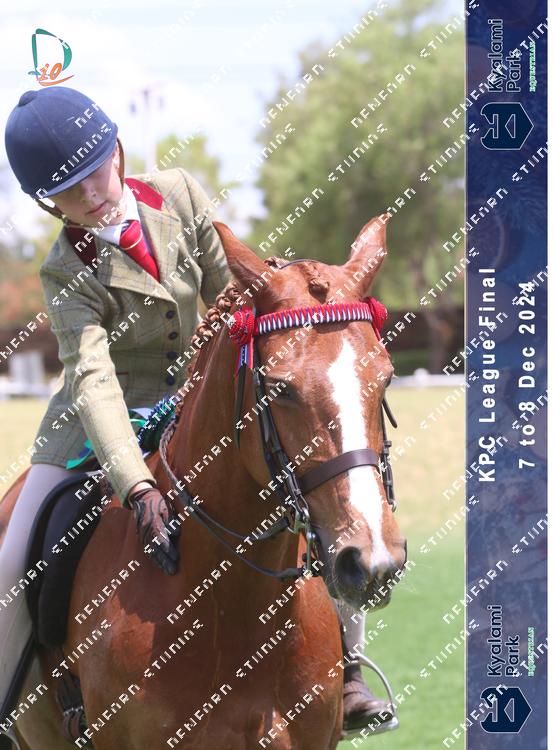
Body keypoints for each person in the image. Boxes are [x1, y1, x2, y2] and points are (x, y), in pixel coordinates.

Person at [0, 86, 391, 738]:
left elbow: (234, 294)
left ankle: (348, 670)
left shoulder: (178, 195)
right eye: (68, 189)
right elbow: (94, 379)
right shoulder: (64, 270)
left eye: (94, 170)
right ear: (48, 202)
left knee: (320, 492)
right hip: (98, 423)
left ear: (117, 151)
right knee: (11, 560)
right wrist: (137, 484)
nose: (90, 194)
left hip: (200, 397)